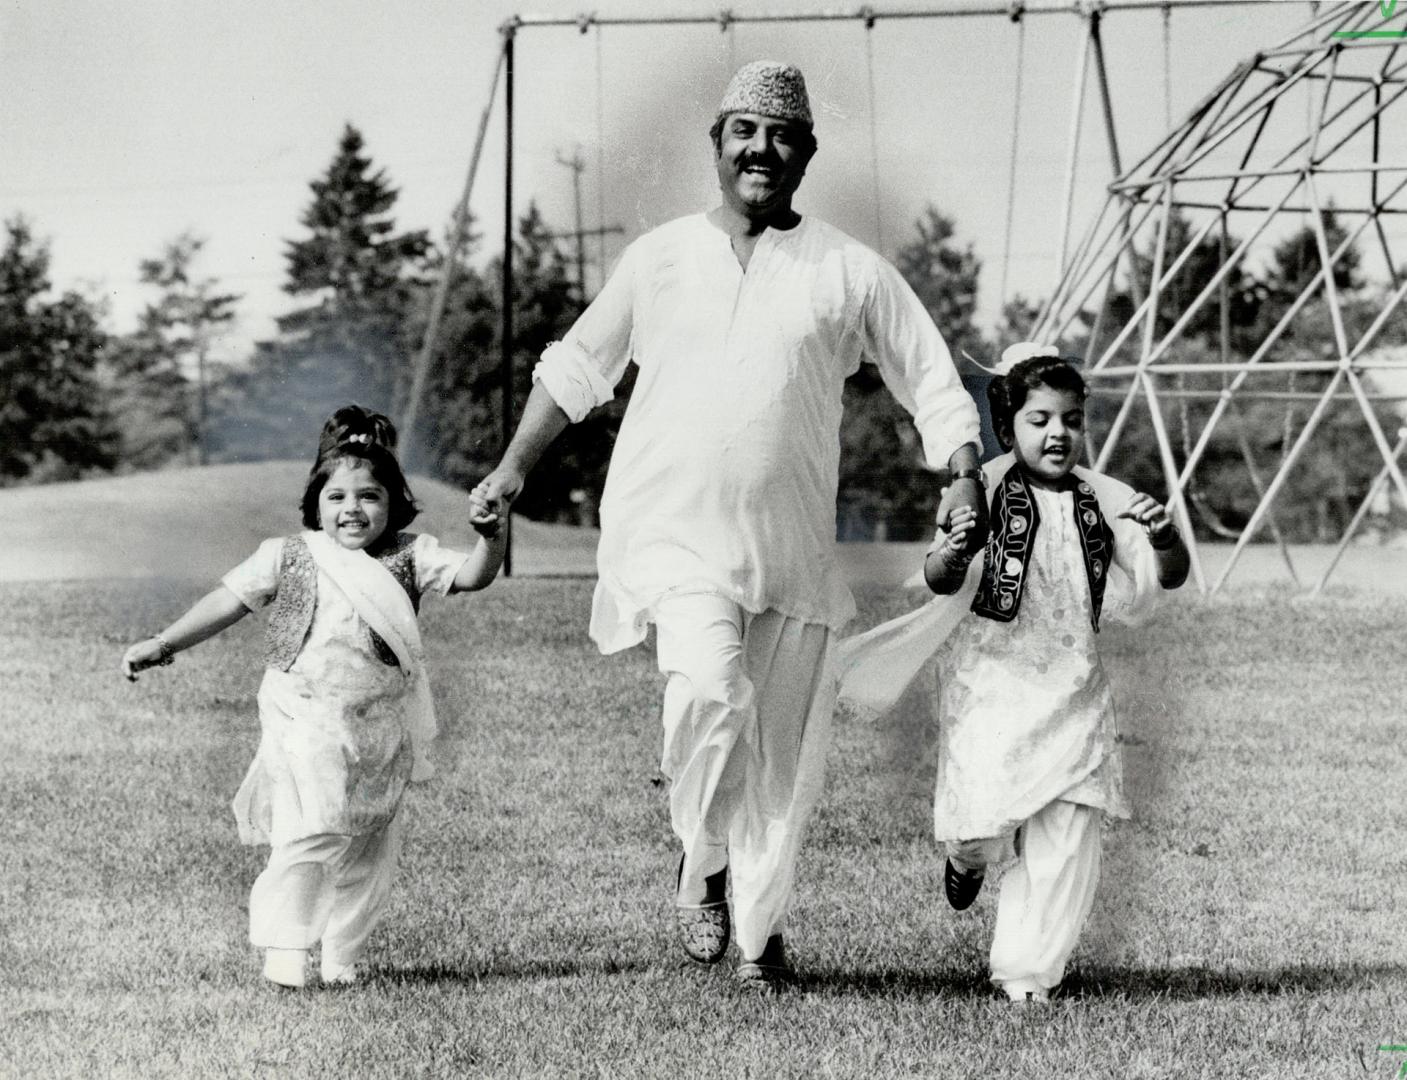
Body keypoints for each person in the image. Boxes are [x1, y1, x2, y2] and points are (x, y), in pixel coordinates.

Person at [469, 60, 985, 990]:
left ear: (807, 154)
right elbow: (577, 368)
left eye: (782, 135)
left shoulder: (850, 271)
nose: (762, 149)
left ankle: (759, 938)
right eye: (744, 131)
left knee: (783, 764)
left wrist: (958, 478)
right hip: (674, 536)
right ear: (716, 144)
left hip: (789, 548)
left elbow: (932, 381)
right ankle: (700, 859)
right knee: (707, 693)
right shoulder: (660, 257)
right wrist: (510, 470)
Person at [836, 345, 1190, 1004]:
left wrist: (1166, 538)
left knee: (1066, 832)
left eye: (1070, 419)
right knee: (980, 827)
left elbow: (1161, 580)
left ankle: (1026, 977)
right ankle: (964, 861)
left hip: (1074, 693)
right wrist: (953, 547)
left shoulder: (1103, 497)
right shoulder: (983, 487)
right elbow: (941, 580)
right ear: (1008, 426)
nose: (1057, 433)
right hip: (991, 690)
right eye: (1039, 419)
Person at [121, 406, 506, 989]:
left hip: (379, 722)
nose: (353, 509)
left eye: (370, 496)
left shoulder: (410, 554)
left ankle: (342, 953)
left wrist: (490, 536)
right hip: (302, 714)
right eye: (337, 497)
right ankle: (286, 948)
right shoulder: (288, 554)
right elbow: (227, 601)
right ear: (316, 503)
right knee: (310, 827)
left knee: (370, 841)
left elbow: (475, 575)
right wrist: (164, 642)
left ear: (393, 502)